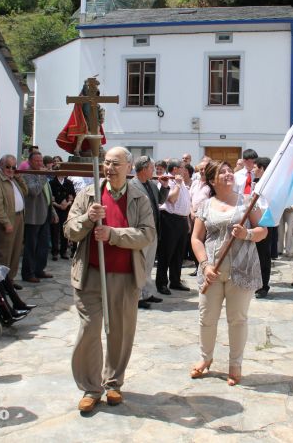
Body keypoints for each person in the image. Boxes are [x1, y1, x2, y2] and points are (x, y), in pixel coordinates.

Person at [64, 146, 156, 413]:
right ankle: (91, 388)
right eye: (106, 163)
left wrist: (113, 235)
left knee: (120, 331)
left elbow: (147, 234)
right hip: (90, 274)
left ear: (129, 167)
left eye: (116, 163)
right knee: (90, 330)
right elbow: (69, 230)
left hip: (125, 276)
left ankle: (113, 382)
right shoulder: (89, 194)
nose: (109, 168)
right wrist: (87, 219)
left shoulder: (139, 197)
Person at [190, 160, 266, 386]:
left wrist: (247, 234)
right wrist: (205, 265)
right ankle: (206, 358)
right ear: (212, 180)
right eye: (221, 172)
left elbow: (263, 231)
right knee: (207, 319)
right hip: (211, 271)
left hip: (242, 270)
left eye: (229, 170)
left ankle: (235, 364)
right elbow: (196, 238)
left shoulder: (248, 202)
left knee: (238, 319)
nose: (227, 174)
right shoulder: (204, 205)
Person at [129, 156, 169, 309]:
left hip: (153, 230)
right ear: (144, 169)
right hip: (140, 230)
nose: (154, 171)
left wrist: (164, 187)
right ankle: (137, 296)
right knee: (139, 265)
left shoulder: (152, 184)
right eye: (152, 168)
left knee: (148, 264)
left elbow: (159, 201)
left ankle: (147, 293)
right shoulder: (132, 185)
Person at [0, 155, 28, 287]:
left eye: (14, 167)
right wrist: (5, 222)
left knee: (16, 251)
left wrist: (19, 178)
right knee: (4, 253)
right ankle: (0, 282)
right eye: (8, 167)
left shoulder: (12, 179)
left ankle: (10, 280)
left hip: (19, 217)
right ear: (1, 165)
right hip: (7, 220)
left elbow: (25, 192)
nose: (11, 169)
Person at [155, 159, 192, 294]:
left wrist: (187, 221)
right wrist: (176, 184)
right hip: (169, 220)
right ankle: (162, 283)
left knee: (178, 253)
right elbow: (171, 199)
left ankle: (175, 281)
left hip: (181, 220)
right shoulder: (167, 182)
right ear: (175, 169)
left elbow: (186, 203)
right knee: (166, 253)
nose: (185, 170)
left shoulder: (181, 184)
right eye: (182, 167)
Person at [22, 152, 57, 283]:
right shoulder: (26, 174)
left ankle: (39, 269)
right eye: (37, 161)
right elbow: (34, 191)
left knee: (43, 245)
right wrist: (44, 176)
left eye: (41, 161)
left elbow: (48, 195)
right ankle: (28, 273)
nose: (40, 163)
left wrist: (53, 211)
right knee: (31, 246)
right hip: (34, 216)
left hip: (45, 213)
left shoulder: (41, 174)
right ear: (30, 161)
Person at [253, 157, 274, 298]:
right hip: (255, 222)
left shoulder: (270, 185)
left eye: (255, 167)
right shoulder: (258, 183)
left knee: (263, 256)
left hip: (265, 223)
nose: (253, 170)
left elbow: (267, 205)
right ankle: (256, 283)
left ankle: (263, 286)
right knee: (255, 255)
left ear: (262, 169)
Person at [50, 168, 76, 261]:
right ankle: (55, 252)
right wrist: (58, 205)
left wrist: (67, 204)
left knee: (65, 230)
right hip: (56, 208)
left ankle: (63, 251)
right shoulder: (52, 183)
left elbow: (72, 195)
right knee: (55, 231)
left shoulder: (69, 182)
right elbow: (51, 197)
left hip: (66, 209)